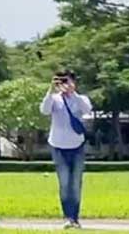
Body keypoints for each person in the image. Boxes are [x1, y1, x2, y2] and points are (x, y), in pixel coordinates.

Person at [40, 70, 92, 229]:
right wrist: (50, 90)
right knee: (64, 183)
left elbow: (87, 109)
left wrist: (72, 92)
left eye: (67, 81)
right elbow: (44, 110)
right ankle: (68, 217)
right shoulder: (54, 99)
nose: (64, 84)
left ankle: (75, 218)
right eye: (61, 81)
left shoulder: (80, 98)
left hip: (77, 146)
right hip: (58, 146)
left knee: (75, 183)